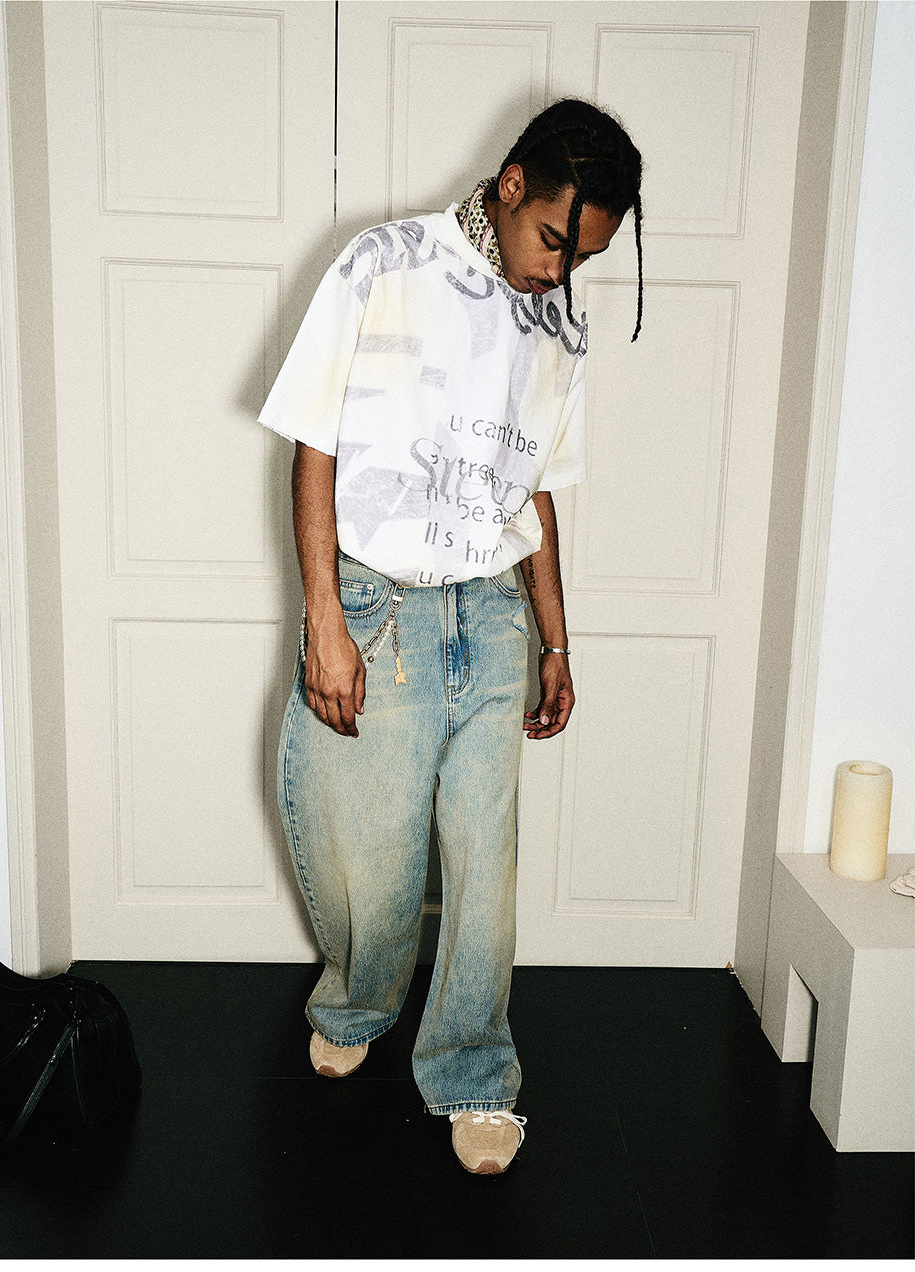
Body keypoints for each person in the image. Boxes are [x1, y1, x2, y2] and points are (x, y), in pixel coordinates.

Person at [258, 98, 643, 1174]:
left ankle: (474, 1069)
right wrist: (324, 619)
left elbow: (537, 490)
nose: (559, 273)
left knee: (484, 860)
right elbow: (313, 447)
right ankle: (356, 1001)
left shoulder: (560, 323)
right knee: (371, 859)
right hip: (380, 606)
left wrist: (557, 641)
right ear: (512, 186)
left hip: (495, 612)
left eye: (586, 257)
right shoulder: (381, 264)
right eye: (554, 240)